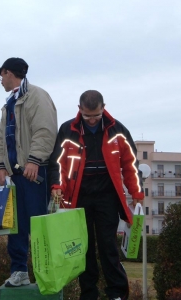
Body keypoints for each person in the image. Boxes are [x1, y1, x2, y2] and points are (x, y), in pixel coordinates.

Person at [49, 90, 144, 300]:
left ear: (104, 108)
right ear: (79, 110)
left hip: (107, 195)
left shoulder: (117, 130)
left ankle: (117, 294)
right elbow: (57, 163)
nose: (92, 120)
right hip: (78, 196)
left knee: (108, 245)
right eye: (87, 116)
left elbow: (131, 164)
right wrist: (57, 185)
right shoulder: (67, 130)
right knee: (84, 247)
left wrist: (136, 191)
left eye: (96, 116)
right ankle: (89, 294)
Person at [0, 57, 57, 287]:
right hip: (13, 178)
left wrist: (35, 160)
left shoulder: (36, 96)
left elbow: (45, 131)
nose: (0, 80)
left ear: (9, 73)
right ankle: (19, 271)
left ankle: (46, 271)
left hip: (33, 174)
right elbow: (0, 140)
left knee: (39, 226)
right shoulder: (9, 103)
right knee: (15, 227)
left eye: (1, 75)